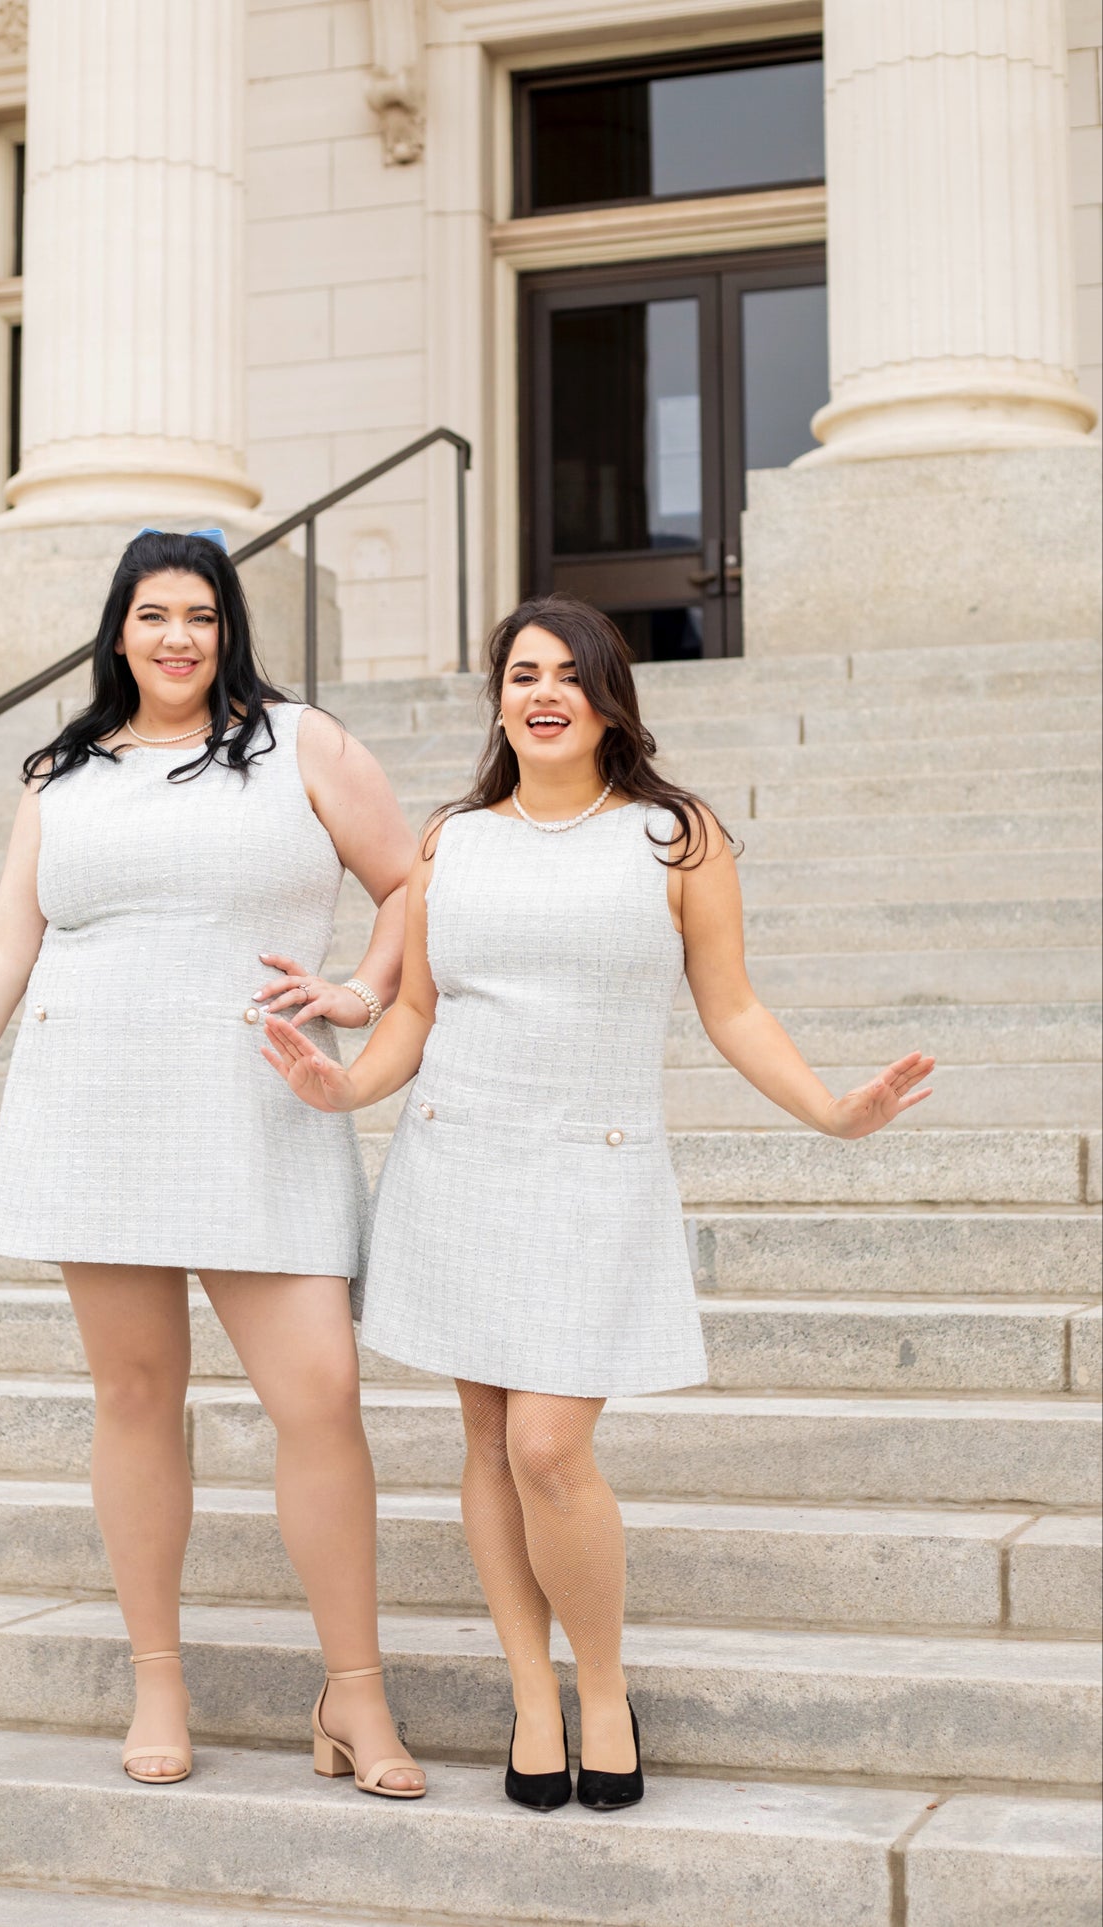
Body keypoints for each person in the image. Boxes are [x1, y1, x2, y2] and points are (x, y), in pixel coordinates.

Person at [262, 592, 934, 1813]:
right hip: (456, 1162)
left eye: (569, 672)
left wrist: (831, 1111)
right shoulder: (451, 840)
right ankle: (530, 1695)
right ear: (498, 697)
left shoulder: (675, 838)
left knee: (546, 1446)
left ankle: (604, 1687)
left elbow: (729, 1007)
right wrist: (340, 1086)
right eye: (522, 671)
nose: (543, 691)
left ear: (608, 696)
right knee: (482, 1443)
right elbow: (414, 1011)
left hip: (594, 1169)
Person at [0, 528, 426, 1798]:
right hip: (92, 1100)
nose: (176, 638)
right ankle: (158, 1674)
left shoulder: (301, 744)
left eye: (200, 616)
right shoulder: (64, 770)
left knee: (318, 1394)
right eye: (153, 615)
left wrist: (362, 990)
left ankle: (356, 1693)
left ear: (229, 629)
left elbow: (413, 880)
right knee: (137, 1398)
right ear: (117, 630)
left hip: (259, 1099)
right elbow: (4, 943)